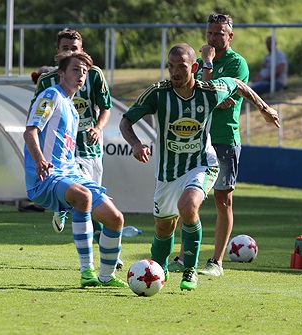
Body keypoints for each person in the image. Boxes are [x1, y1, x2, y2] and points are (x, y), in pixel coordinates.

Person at [119, 43, 280, 290]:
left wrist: (265, 109)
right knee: (163, 226)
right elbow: (125, 122)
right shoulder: (158, 93)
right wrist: (136, 144)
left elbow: (237, 83)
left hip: (202, 164)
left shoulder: (209, 91)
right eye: (171, 66)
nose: (174, 72)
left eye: (181, 67)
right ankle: (158, 272)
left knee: (188, 205)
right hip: (167, 173)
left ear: (194, 67)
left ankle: (190, 270)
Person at [24, 51, 127, 288]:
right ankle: (86, 271)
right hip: (46, 176)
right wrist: (40, 160)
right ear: (61, 73)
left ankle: (107, 276)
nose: (80, 75)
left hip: (70, 173)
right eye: (75, 69)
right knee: (83, 197)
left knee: (115, 219)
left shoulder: (71, 107)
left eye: (84, 71)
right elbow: (30, 132)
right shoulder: (50, 95)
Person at [166, 13, 251, 277]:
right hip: (197, 139)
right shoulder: (199, 61)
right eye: (209, 33)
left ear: (230, 36)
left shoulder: (238, 64)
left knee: (222, 199)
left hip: (224, 137)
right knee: (186, 198)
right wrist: (207, 80)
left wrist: (207, 64)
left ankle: (216, 262)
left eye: (219, 33)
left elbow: (215, 93)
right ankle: (183, 256)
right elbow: (200, 90)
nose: (213, 38)